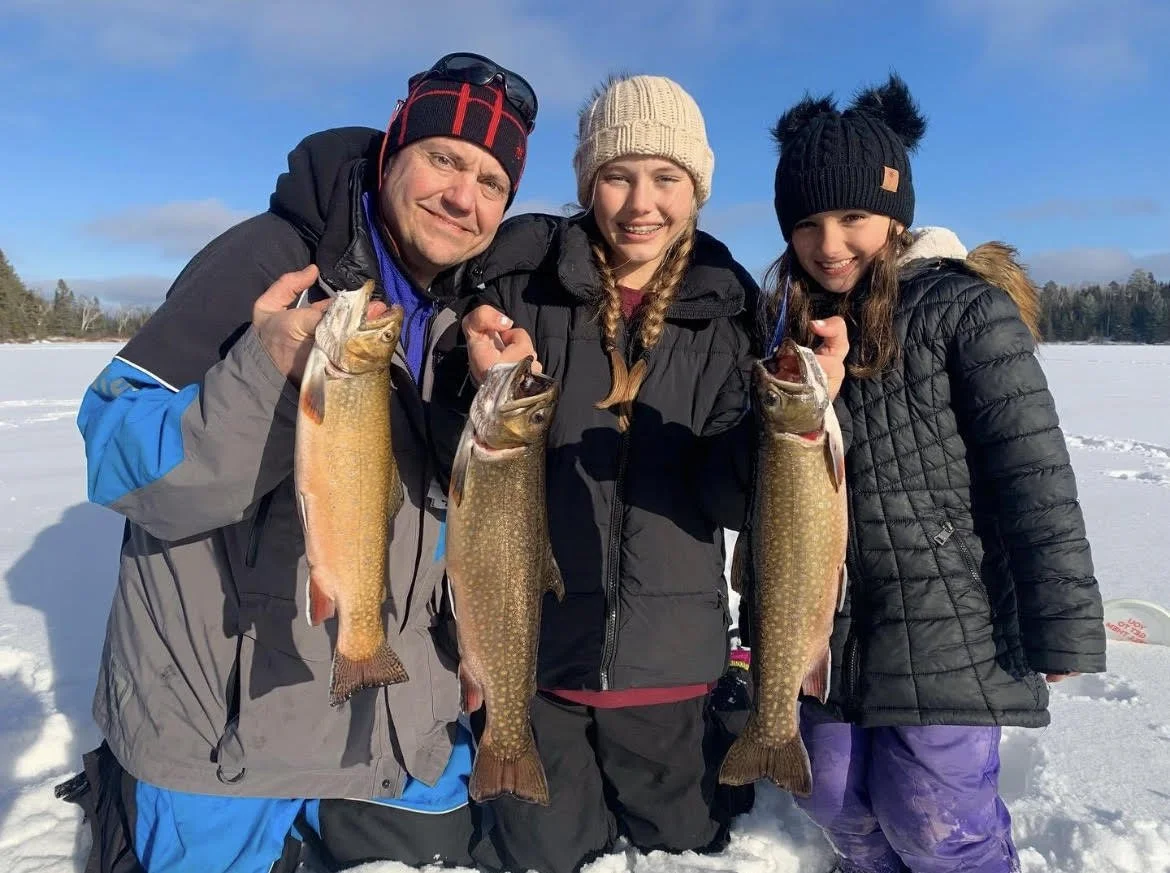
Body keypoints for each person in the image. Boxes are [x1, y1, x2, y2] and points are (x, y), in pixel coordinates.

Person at [65, 51, 537, 873]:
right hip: (227, 740)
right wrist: (261, 372)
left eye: (492, 182)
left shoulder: (460, 317)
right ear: (394, 149)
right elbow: (117, 459)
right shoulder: (266, 263)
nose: (464, 195)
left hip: (384, 727)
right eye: (444, 159)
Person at [456, 74, 849, 873]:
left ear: (695, 188)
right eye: (617, 175)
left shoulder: (729, 310)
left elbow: (732, 496)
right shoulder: (519, 285)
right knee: (546, 856)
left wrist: (786, 425)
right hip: (538, 666)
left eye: (666, 177)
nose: (642, 203)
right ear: (586, 183)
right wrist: (472, 373)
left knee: (687, 852)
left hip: (670, 674)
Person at [758, 73, 1106, 873]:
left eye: (853, 217)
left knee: (935, 818)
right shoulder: (788, 330)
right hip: (833, 626)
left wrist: (1062, 618)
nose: (830, 243)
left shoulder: (964, 312)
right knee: (831, 792)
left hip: (950, 620)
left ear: (897, 213)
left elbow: (1035, 475)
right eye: (807, 223)